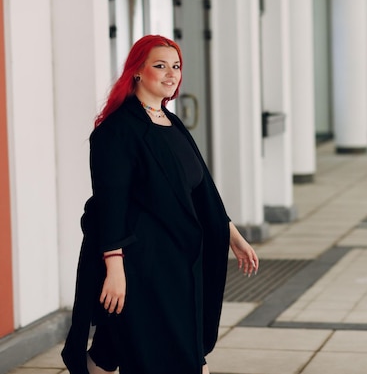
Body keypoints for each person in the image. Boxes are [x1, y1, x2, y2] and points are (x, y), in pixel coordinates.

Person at [61, 34, 259, 374]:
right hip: (142, 263)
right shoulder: (117, 130)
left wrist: (233, 236)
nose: (171, 73)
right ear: (137, 71)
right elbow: (112, 204)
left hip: (180, 259)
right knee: (176, 356)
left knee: (113, 349)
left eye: (176, 66)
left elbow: (201, 190)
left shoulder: (171, 122)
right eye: (160, 65)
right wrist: (115, 267)